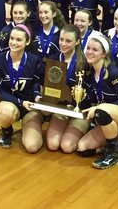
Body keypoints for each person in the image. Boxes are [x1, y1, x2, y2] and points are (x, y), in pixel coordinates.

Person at [77, 33, 118, 169]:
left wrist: (98, 107)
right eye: (88, 48)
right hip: (109, 120)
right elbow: (90, 101)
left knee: (101, 110)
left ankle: (114, 154)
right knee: (82, 148)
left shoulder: (114, 73)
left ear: (104, 54)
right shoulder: (89, 74)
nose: (90, 52)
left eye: (95, 50)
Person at [0, 24, 43, 152]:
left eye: (19, 40)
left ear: (27, 41)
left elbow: (36, 82)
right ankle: (6, 130)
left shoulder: (34, 60)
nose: (14, 42)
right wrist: (21, 102)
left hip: (29, 107)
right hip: (10, 103)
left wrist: (36, 95)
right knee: (5, 113)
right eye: (12, 38)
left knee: (32, 147)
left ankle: (30, 126)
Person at [46, 24, 90, 153]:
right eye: (61, 40)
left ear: (77, 42)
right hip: (60, 109)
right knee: (53, 145)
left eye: (68, 41)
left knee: (67, 146)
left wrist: (82, 99)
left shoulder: (85, 63)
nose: (63, 44)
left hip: (79, 110)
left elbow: (90, 94)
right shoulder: (53, 59)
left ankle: (89, 128)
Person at [32, 1, 65, 83]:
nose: (43, 15)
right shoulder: (34, 31)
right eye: (40, 12)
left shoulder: (61, 33)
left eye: (46, 12)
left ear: (53, 14)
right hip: (34, 73)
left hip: (53, 75)